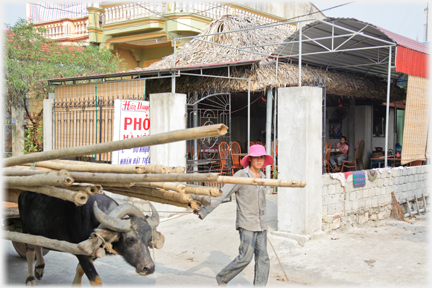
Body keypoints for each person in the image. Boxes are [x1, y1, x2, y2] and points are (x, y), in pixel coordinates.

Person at [194, 144, 274, 286]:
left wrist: (265, 223)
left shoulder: (263, 177)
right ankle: (222, 278)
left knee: (263, 258)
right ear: (250, 159)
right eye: (256, 157)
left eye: (262, 157)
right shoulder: (241, 176)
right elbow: (223, 193)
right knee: (245, 258)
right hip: (247, 223)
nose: (259, 160)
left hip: (261, 225)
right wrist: (204, 210)